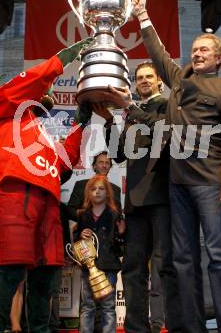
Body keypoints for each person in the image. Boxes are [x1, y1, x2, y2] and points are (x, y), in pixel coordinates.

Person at [125, 0, 221, 333]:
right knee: (182, 260)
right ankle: (190, 328)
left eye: (205, 49)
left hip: (209, 181)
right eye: (195, 48)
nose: (197, 52)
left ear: (218, 58)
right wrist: (143, 16)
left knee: (220, 257)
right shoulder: (179, 80)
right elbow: (158, 54)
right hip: (177, 183)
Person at [0, 38, 93, 333]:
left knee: (47, 276)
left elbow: (64, 163)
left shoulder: (41, 132)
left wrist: (81, 124)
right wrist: (62, 59)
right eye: (44, 89)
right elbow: (31, 82)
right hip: (14, 193)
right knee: (9, 271)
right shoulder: (2, 107)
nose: (48, 92)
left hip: (49, 202)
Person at [93, 61, 180, 333]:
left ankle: (174, 325)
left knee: (166, 266)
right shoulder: (131, 114)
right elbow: (119, 154)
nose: (143, 81)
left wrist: (131, 108)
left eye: (148, 77)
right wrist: (109, 123)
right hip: (136, 202)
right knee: (132, 269)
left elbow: (163, 132)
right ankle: (136, 328)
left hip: (163, 197)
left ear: (159, 82)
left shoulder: (168, 105)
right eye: (139, 77)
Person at [74, 174, 125, 333]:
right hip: (88, 269)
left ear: (108, 193)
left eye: (101, 189)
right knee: (87, 305)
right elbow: (76, 242)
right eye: (93, 189)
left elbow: (120, 246)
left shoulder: (114, 215)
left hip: (109, 265)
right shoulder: (83, 215)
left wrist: (121, 234)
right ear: (88, 193)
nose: (97, 192)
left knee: (108, 306)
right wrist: (81, 235)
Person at [66, 151, 122, 221]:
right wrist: (86, 217)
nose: (104, 165)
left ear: (110, 167)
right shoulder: (81, 185)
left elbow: (119, 216)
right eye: (101, 162)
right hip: (85, 229)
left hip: (108, 230)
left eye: (107, 163)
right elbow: (70, 211)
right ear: (94, 166)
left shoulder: (116, 189)